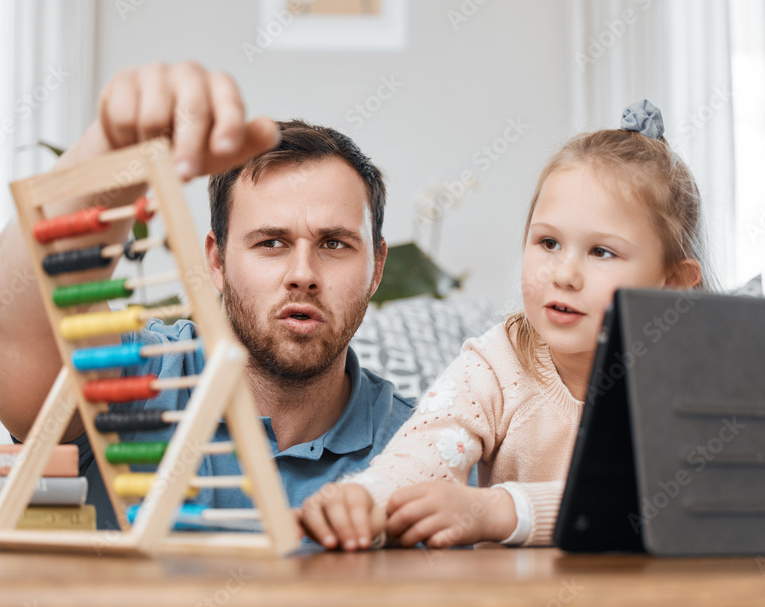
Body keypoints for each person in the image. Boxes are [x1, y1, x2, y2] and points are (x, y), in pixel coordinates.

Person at [0, 63, 414, 528]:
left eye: (334, 244)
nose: (303, 274)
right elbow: (16, 307)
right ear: (217, 261)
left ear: (377, 268)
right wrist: (114, 148)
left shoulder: (426, 448)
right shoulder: (135, 379)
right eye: (271, 242)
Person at [299, 100, 711, 551]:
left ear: (672, 284)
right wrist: (366, 497)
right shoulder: (497, 364)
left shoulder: (692, 383)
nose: (564, 274)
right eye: (548, 242)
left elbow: (671, 500)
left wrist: (501, 509)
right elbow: (426, 450)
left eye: (602, 252)